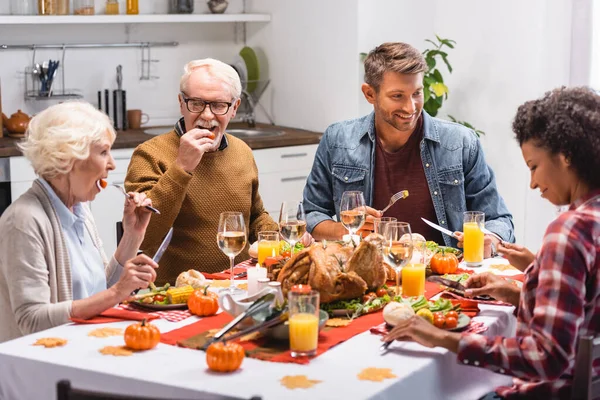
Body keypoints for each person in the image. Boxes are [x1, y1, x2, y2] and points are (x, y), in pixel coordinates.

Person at [382, 86, 600, 399]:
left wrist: (442, 339)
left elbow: (547, 358)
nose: (533, 183)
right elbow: (585, 312)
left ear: (565, 155)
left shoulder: (568, 231)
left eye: (534, 166)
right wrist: (517, 292)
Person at [302, 42, 514, 256]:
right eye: (397, 96)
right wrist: (347, 230)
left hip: (445, 276)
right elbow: (311, 214)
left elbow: (500, 220)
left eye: (417, 93)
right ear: (369, 94)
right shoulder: (338, 140)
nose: (410, 107)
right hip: (369, 278)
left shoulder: (461, 143)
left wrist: (490, 242)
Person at [0, 101, 158, 343]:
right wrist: (117, 292)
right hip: (46, 365)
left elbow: (98, 292)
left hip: (89, 344)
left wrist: (133, 236)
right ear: (68, 157)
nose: (112, 164)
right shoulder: (23, 221)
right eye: (104, 152)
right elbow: (31, 320)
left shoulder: (80, 208)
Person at [125, 58, 278, 283]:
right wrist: (182, 167)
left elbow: (255, 216)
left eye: (218, 105)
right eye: (196, 103)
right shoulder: (149, 154)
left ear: (234, 108)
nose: (206, 115)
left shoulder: (242, 151)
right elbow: (143, 236)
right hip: (177, 295)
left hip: (240, 284)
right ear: (181, 103)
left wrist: (279, 237)